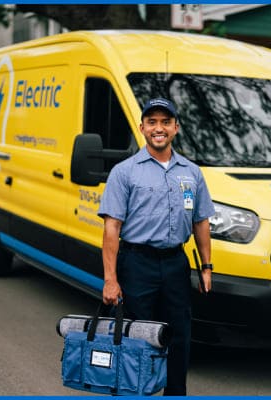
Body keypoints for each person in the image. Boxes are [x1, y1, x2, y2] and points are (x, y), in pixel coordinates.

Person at [98, 98, 215, 396]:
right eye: (152, 122)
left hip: (176, 264)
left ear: (176, 127)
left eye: (165, 122)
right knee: (135, 336)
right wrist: (111, 279)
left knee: (178, 337)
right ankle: (133, 392)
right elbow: (111, 227)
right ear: (142, 128)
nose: (158, 128)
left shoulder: (192, 172)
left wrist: (206, 267)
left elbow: (201, 221)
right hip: (137, 264)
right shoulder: (124, 172)